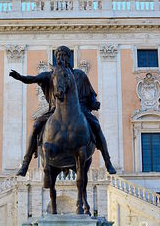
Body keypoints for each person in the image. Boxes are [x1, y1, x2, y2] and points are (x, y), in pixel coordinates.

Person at [9, 46, 116, 176]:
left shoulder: (79, 75)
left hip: (80, 109)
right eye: (58, 56)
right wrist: (20, 77)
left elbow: (91, 92)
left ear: (68, 58)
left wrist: (94, 102)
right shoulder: (51, 75)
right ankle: (25, 163)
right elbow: (33, 79)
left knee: (96, 126)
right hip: (55, 110)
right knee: (36, 125)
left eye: (63, 55)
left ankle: (108, 162)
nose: (60, 58)